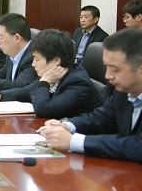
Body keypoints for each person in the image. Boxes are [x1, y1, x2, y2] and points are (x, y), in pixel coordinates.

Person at [40, 28, 142, 163]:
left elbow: (138, 146)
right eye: (107, 67)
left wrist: (73, 141)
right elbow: (101, 118)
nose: (108, 76)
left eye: (115, 69)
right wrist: (67, 125)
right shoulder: (122, 91)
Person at [0, 29, 104, 118]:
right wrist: (0, 95)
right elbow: (26, 91)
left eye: (37, 59)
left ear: (56, 61)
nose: (33, 64)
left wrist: (44, 81)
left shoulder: (77, 82)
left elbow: (43, 110)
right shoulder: (54, 74)